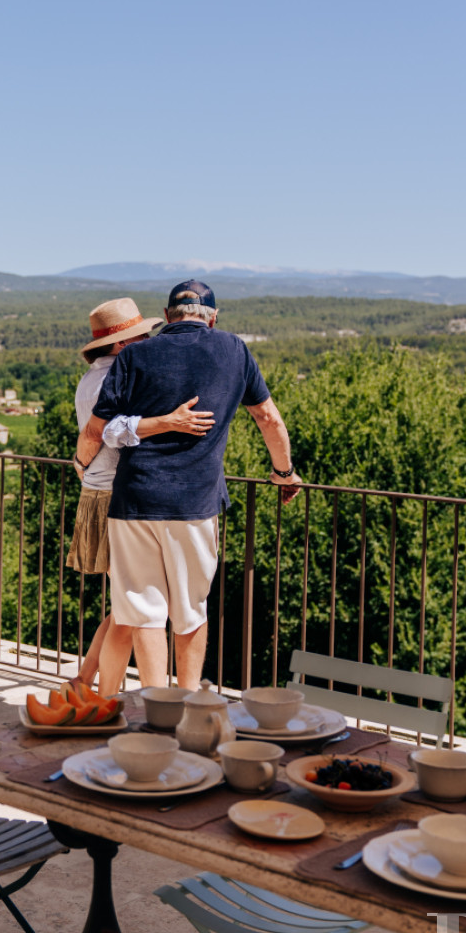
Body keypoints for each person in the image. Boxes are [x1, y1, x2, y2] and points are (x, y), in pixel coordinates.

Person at [76, 279, 301, 693]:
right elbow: (268, 418)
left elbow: (96, 429)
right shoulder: (234, 349)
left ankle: (151, 706)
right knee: (190, 611)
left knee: (142, 613)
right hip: (195, 503)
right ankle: (186, 702)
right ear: (212, 319)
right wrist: (284, 473)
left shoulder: (135, 355)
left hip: (133, 501)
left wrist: (81, 467)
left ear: (166, 317)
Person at [66, 296, 215, 697]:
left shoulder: (91, 378)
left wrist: (80, 464)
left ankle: (90, 690)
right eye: (141, 336)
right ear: (120, 345)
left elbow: (89, 438)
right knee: (131, 613)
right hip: (117, 496)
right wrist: (170, 421)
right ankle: (104, 699)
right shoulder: (115, 379)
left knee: (127, 609)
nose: (150, 341)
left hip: (98, 493)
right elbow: (107, 431)